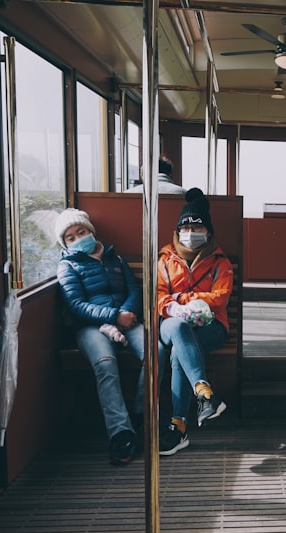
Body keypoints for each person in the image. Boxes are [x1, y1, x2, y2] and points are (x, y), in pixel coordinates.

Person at [56, 208, 144, 465]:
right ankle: (121, 432)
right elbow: (76, 304)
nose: (78, 238)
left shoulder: (115, 259)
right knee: (106, 364)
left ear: (91, 231)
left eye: (81, 231)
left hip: (127, 320)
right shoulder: (67, 266)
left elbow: (133, 289)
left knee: (156, 353)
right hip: (91, 327)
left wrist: (127, 312)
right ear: (66, 243)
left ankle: (140, 414)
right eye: (71, 237)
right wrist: (114, 315)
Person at [155, 187, 233, 455]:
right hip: (170, 322)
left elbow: (220, 297)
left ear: (208, 232)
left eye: (197, 228)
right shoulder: (165, 260)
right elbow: (158, 297)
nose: (190, 233)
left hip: (211, 326)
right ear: (177, 231)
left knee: (179, 352)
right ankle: (205, 394)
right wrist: (176, 308)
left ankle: (178, 427)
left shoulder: (220, 262)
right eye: (185, 228)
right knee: (178, 328)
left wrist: (184, 298)